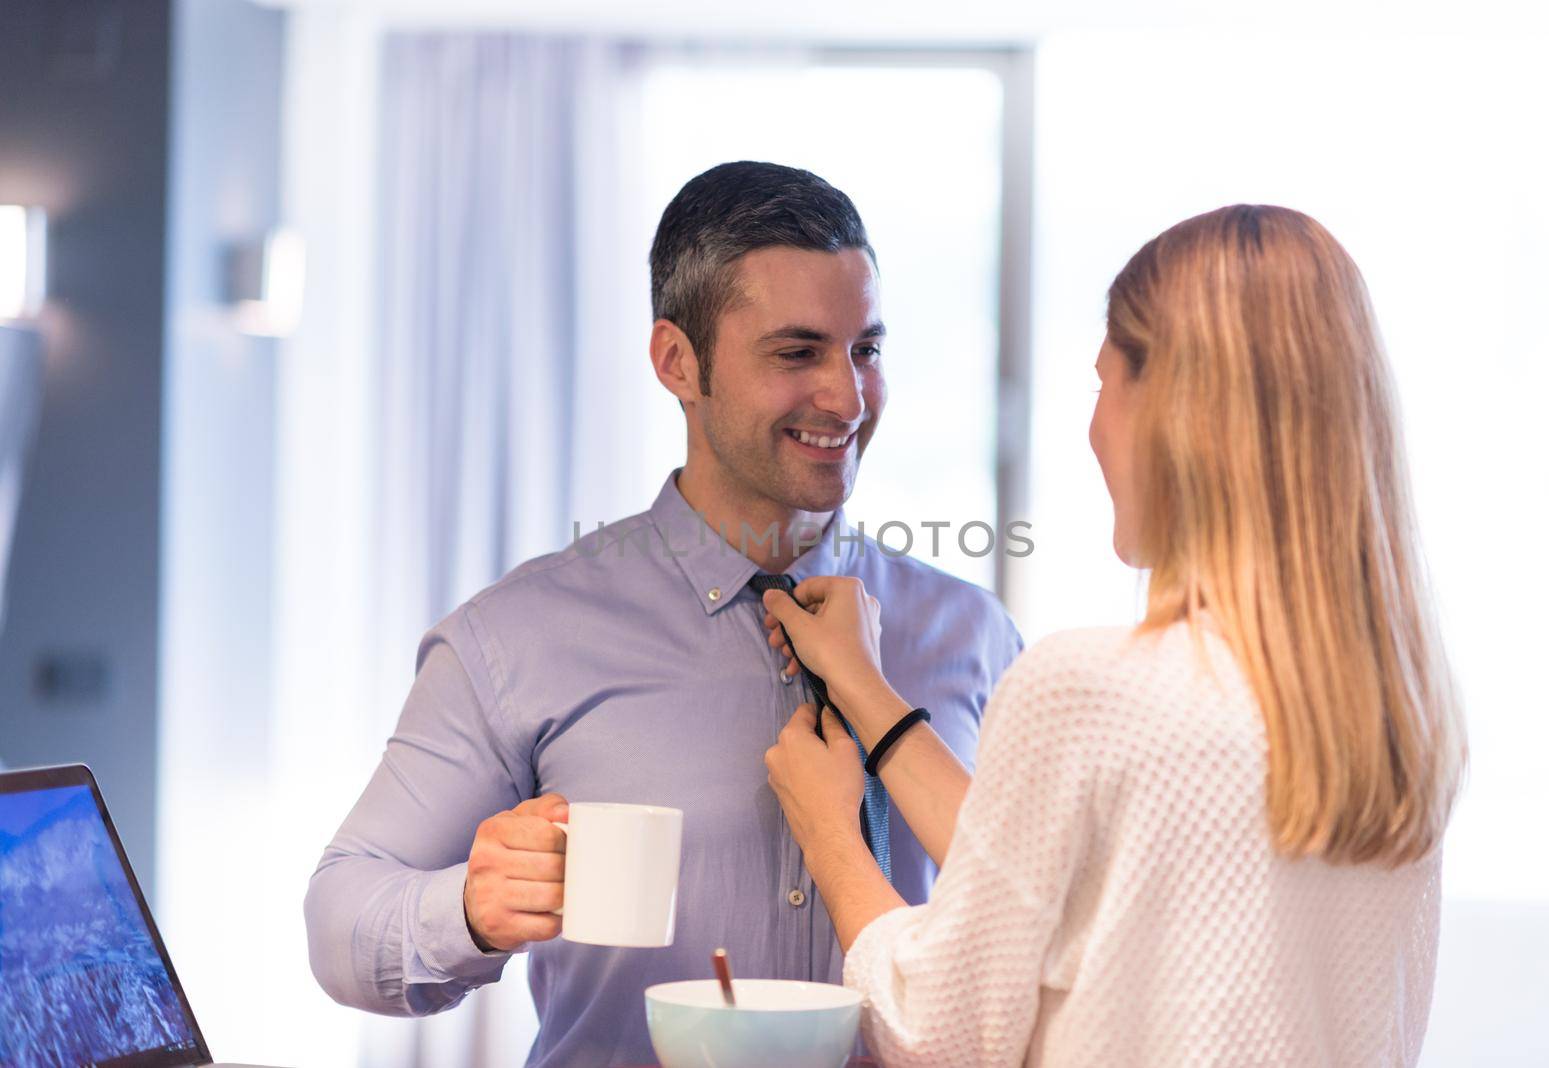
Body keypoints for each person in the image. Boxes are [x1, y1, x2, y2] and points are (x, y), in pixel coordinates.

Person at [302, 161, 1022, 1066]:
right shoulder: (516, 636)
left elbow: (1038, 937)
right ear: (678, 362)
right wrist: (468, 910)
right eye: (797, 353)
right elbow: (338, 918)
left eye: (865, 350)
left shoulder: (975, 638)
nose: (846, 397)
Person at [762, 204, 1468, 1067]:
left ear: (1174, 410)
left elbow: (937, 1028)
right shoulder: (1393, 722)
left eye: (1104, 385)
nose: (1094, 429)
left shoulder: (1092, 690)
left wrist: (831, 832)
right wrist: (870, 698)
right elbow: (1046, 884)